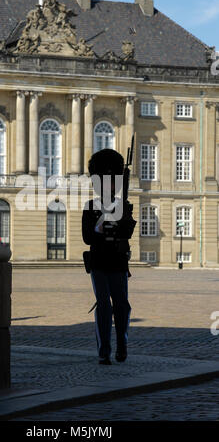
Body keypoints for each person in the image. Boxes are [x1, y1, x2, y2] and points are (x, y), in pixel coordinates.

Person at [82, 148, 137, 365]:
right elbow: (87, 237)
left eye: (113, 182)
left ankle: (122, 344)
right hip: (98, 261)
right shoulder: (90, 207)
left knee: (121, 304)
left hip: (117, 260)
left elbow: (127, 233)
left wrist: (122, 219)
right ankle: (104, 349)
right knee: (103, 304)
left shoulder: (123, 206)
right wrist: (100, 228)